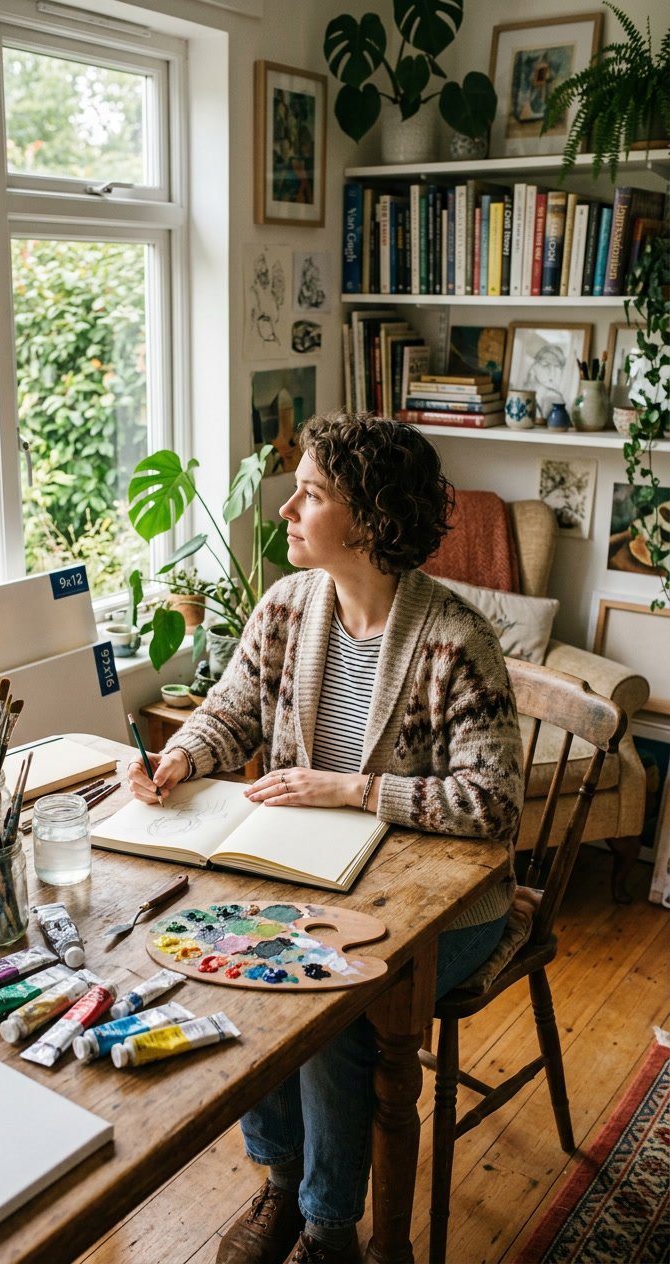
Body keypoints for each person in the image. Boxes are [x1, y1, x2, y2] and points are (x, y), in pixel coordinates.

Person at [127, 415, 525, 1264]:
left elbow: (492, 806)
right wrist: (182, 757)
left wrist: (353, 789)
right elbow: (230, 711)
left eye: (310, 493)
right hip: (310, 882)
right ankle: (280, 1181)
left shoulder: (459, 641)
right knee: (235, 970)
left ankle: (330, 1230)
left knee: (334, 1008)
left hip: (448, 908)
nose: (286, 512)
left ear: (372, 521)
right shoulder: (286, 607)